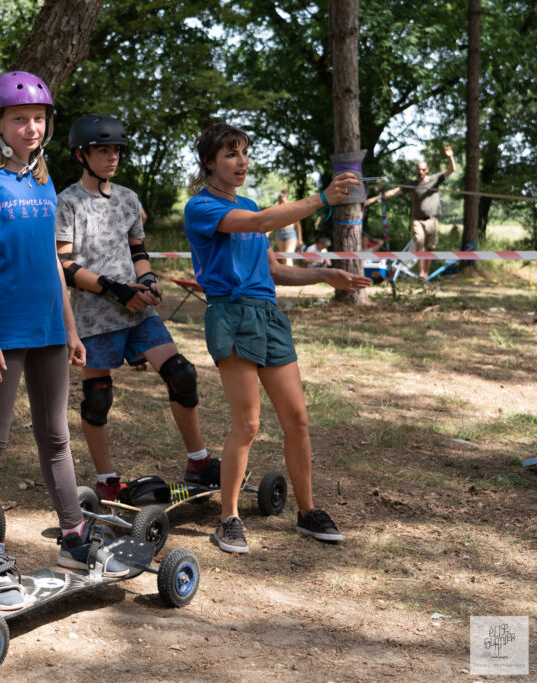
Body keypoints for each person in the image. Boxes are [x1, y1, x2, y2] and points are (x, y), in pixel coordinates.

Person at [0, 72, 128, 611]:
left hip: (51, 331)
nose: (31, 127)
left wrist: (71, 328)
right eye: (19, 118)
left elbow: (56, 264)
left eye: (38, 118)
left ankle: (74, 539)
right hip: (3, 333)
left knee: (55, 437)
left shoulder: (43, 182)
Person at [184, 122, 371, 555]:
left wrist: (324, 275)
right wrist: (323, 198)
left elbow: (272, 270)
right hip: (230, 315)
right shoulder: (202, 208)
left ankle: (307, 512)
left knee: (297, 420)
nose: (240, 161)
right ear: (209, 162)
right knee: (248, 424)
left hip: (268, 316)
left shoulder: (247, 201)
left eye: (243, 153)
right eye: (229, 154)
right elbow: (263, 219)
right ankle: (228, 517)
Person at [54, 113, 214, 502]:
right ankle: (107, 480)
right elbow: (63, 265)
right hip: (94, 316)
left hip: (139, 311)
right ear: (81, 155)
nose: (112, 158)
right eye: (102, 151)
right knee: (98, 398)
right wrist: (114, 289)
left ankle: (199, 461)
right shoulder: (67, 202)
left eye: (116, 151)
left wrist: (146, 282)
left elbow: (138, 252)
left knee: (182, 374)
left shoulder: (128, 198)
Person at [364, 145, 456, 279]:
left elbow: (451, 169)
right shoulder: (412, 184)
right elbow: (394, 192)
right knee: (419, 244)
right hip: (417, 220)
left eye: (423, 169)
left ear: (427, 170)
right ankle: (420, 272)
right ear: (416, 171)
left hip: (432, 219)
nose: (420, 172)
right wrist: (375, 199)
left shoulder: (434, 180)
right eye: (418, 169)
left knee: (429, 248)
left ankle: (425, 273)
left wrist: (450, 157)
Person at [272, 190, 303, 266]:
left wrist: (300, 239)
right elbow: (272, 223)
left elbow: (298, 226)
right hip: (279, 234)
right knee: (284, 258)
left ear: (287, 200)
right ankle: (286, 276)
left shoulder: (293, 210)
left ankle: (291, 277)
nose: (282, 203)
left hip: (291, 234)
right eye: (280, 202)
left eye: (283, 201)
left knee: (287, 256)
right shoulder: (277, 211)